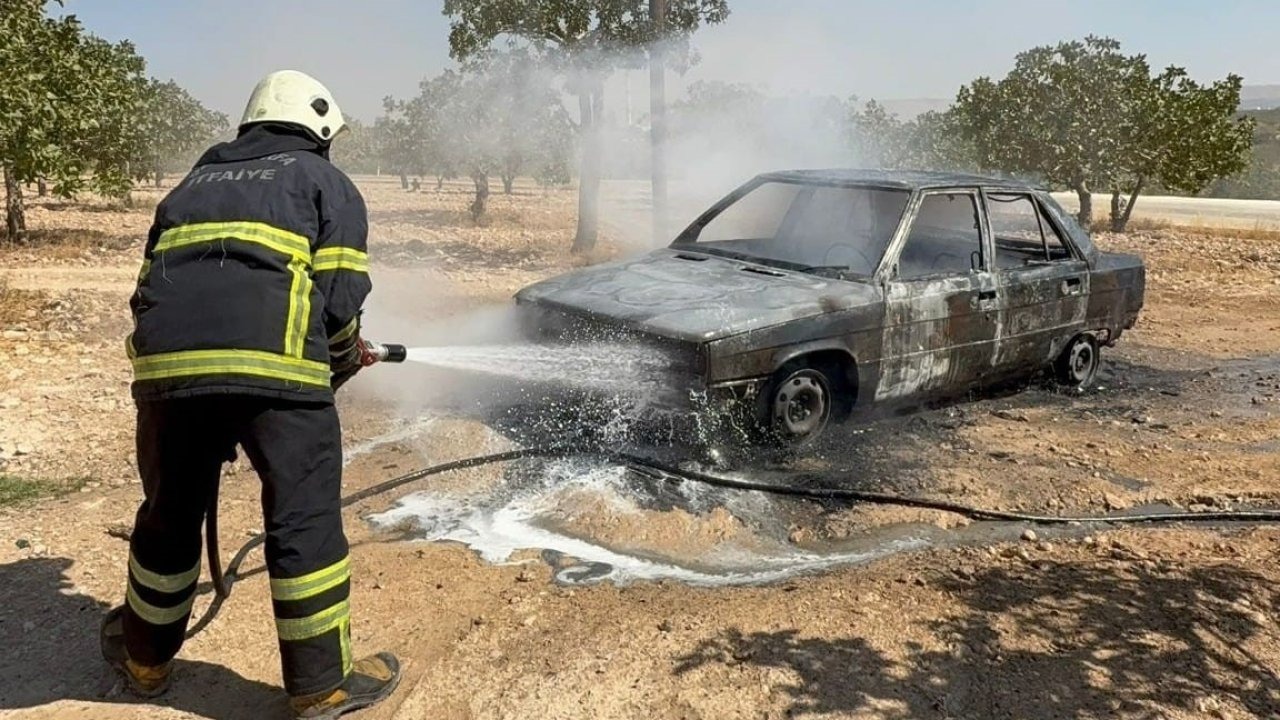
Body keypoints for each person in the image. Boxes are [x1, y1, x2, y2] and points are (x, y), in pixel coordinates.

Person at [100, 69, 401, 719]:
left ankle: (145, 660)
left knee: (169, 514)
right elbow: (339, 298)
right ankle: (321, 685)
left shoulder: (188, 186)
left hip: (170, 376)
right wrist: (345, 356)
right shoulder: (325, 181)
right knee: (302, 521)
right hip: (279, 377)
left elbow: (147, 288)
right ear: (320, 129)